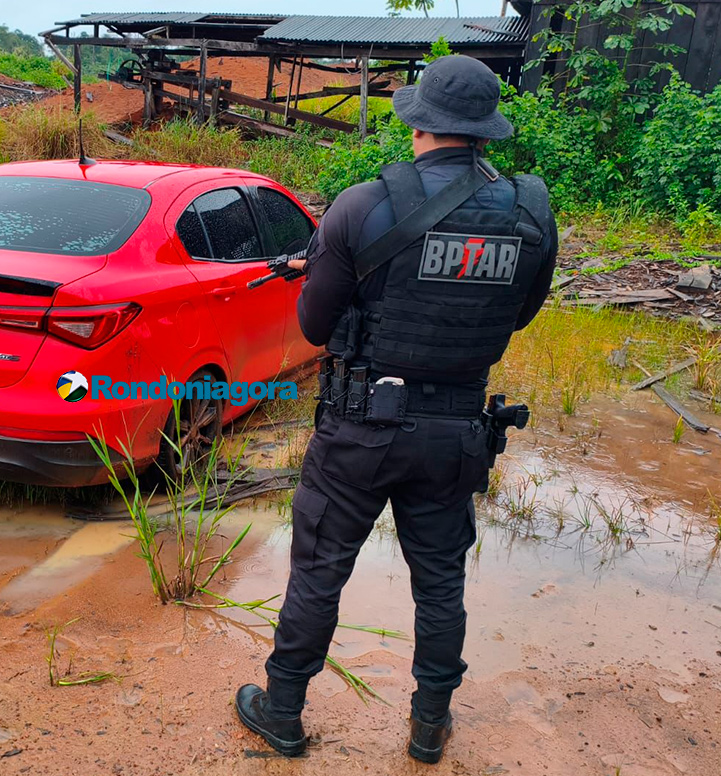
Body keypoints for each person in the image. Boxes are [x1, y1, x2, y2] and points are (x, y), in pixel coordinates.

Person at [234, 55, 558, 764]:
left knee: (319, 570)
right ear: (483, 134)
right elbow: (521, 313)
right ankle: (429, 726)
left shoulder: (360, 204)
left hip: (359, 428)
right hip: (457, 433)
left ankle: (282, 711)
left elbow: (317, 329)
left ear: (418, 125)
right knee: (441, 581)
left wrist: (325, 274)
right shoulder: (532, 207)